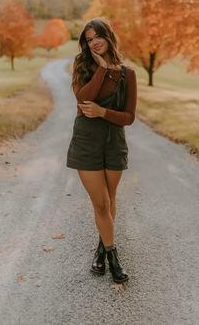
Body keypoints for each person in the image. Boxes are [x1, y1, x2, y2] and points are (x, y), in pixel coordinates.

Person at [66, 18, 137, 283]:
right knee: (101, 202)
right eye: (88, 38)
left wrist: (103, 112)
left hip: (114, 142)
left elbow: (129, 117)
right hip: (86, 141)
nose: (94, 41)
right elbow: (83, 98)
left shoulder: (128, 74)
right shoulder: (82, 65)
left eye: (98, 36)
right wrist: (102, 69)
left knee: (110, 198)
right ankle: (114, 258)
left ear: (108, 37)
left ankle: (101, 249)